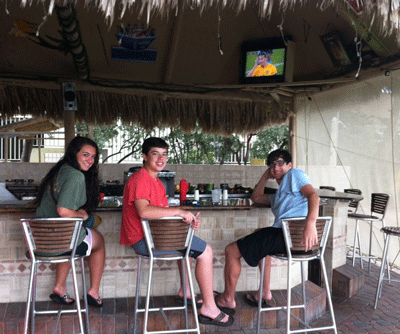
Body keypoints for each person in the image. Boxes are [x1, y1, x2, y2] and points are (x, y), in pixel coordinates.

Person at [120, 137, 234, 327]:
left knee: (188, 247)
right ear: (144, 156)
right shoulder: (141, 179)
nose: (160, 159)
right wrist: (179, 211)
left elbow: (162, 218)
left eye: (164, 154)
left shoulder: (155, 181)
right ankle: (209, 307)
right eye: (155, 153)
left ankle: (187, 291)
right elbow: (145, 211)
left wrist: (186, 225)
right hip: (144, 241)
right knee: (206, 252)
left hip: (155, 237)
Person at [215, 149, 320, 310]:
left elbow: (313, 196)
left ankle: (227, 299)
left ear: (289, 165)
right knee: (260, 233)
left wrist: (311, 224)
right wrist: (265, 176)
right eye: (271, 165)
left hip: (289, 236)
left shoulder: (295, 174)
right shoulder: (279, 195)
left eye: (279, 163)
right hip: (290, 237)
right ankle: (264, 291)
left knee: (231, 251)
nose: (275, 168)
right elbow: (256, 198)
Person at [34, 136, 105, 307]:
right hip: (58, 243)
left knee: (73, 235)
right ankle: (93, 292)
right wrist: (83, 216)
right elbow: (63, 211)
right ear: (74, 154)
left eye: (93, 157)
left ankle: (59, 287)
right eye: (86, 155)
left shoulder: (59, 171)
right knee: (99, 242)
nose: (90, 160)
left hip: (40, 241)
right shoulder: (76, 176)